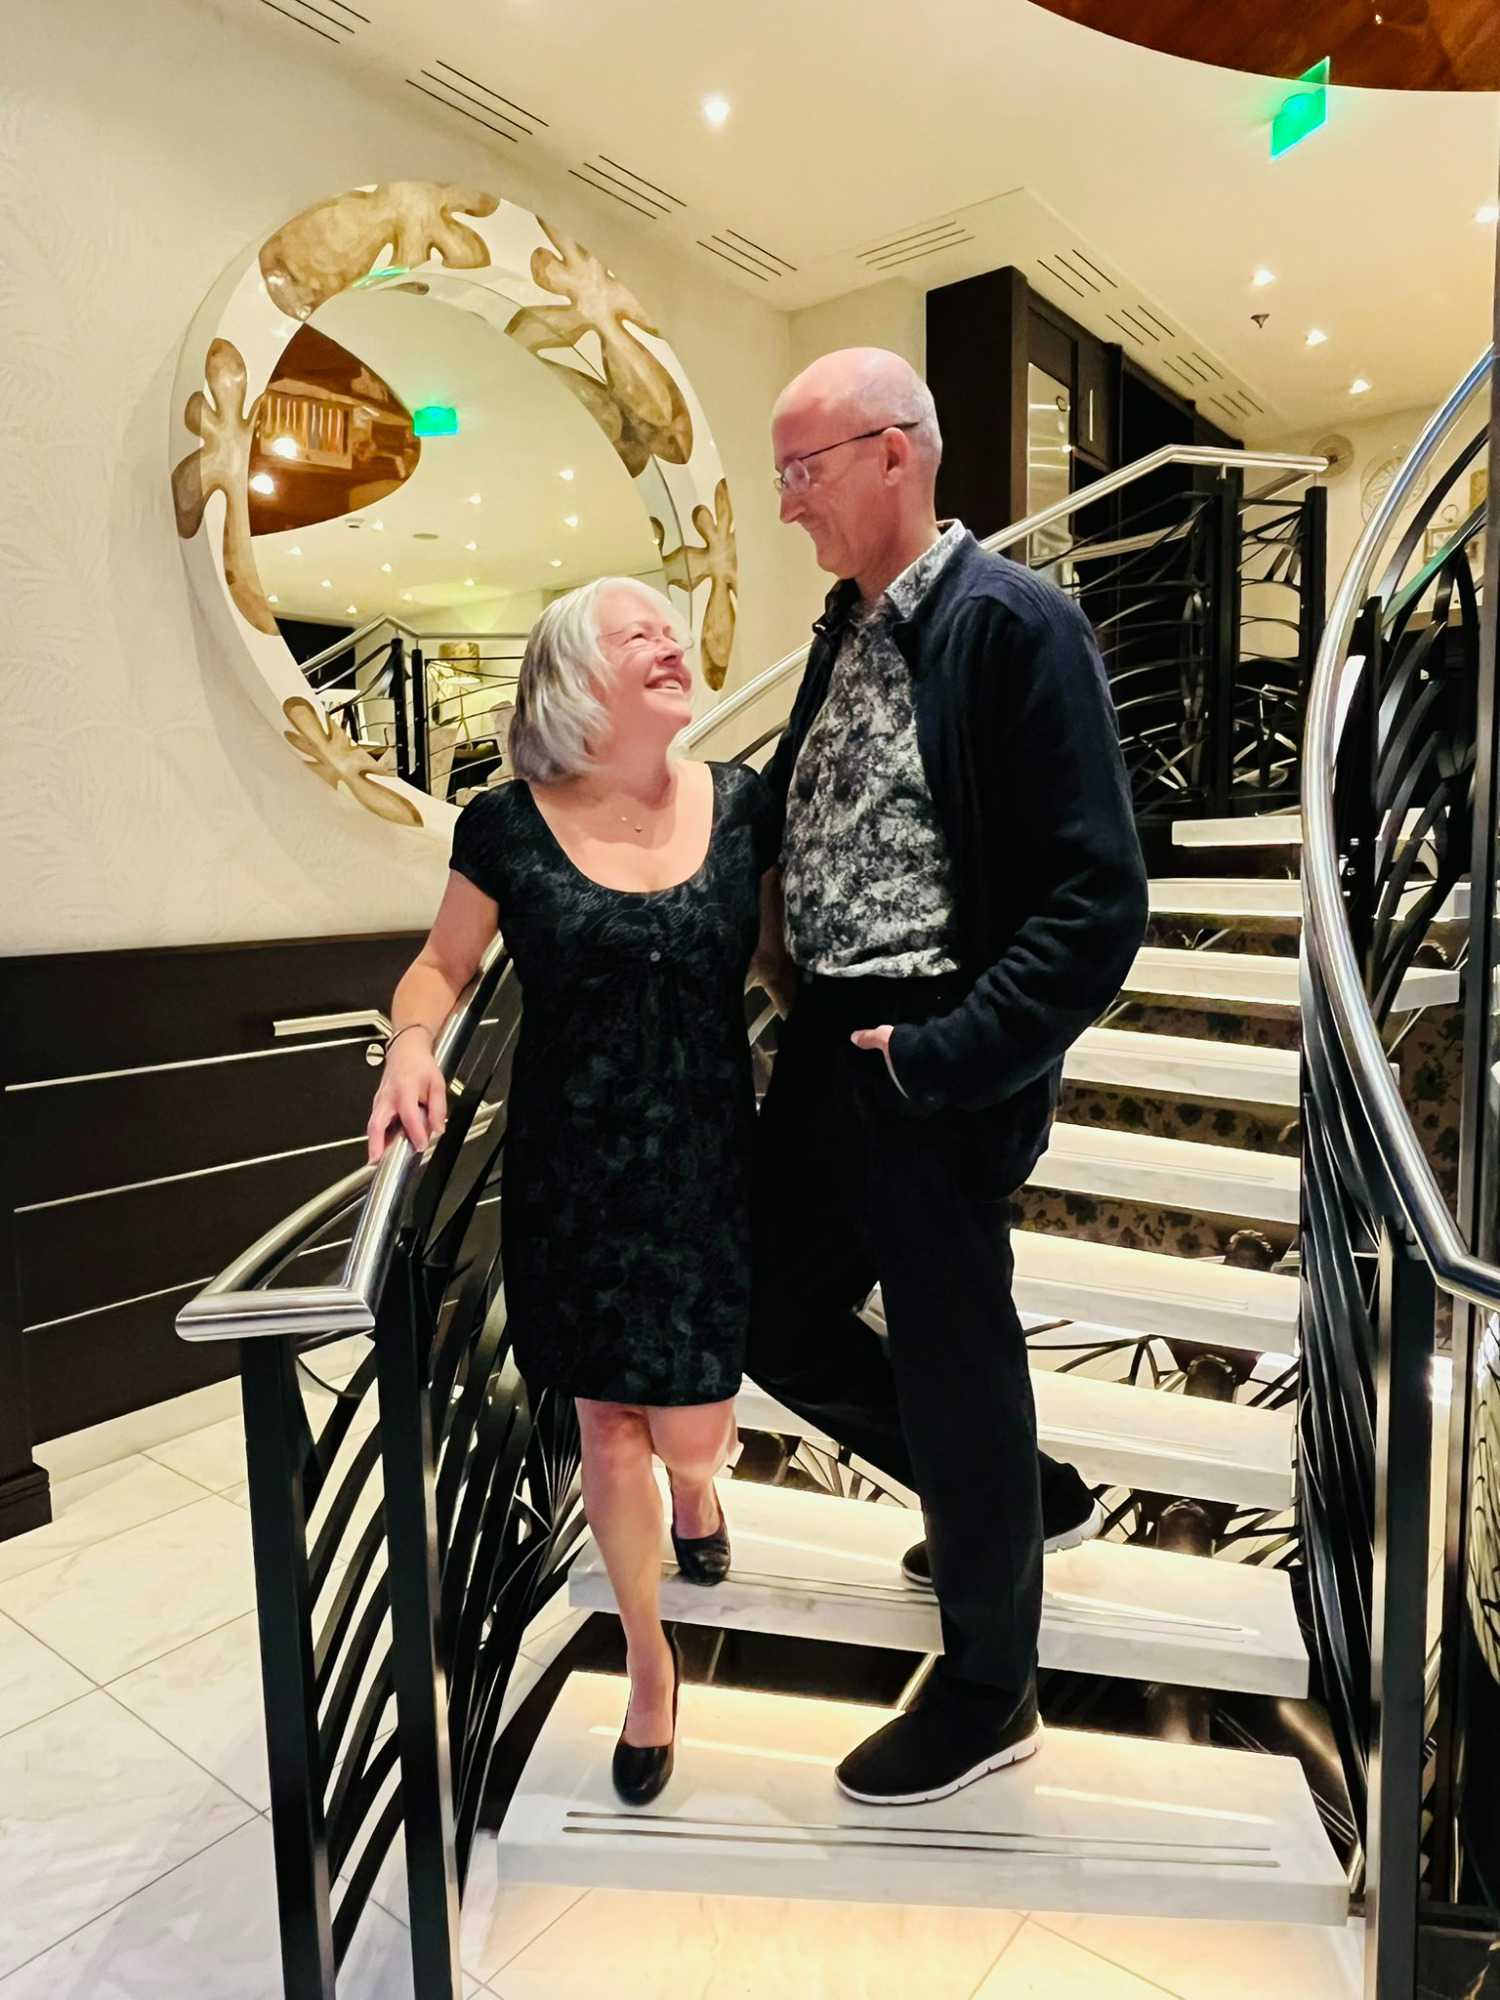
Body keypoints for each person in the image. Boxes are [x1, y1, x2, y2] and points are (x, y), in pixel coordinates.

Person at [751, 347, 1149, 1807]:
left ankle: (993, 1685)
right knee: (765, 1309)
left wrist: (949, 1055)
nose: (787, 502)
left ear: (894, 452)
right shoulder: (845, 630)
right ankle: (1015, 1502)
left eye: (803, 469)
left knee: (952, 1356)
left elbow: (1097, 901)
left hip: (930, 1047)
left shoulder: (1013, 625)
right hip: (825, 1043)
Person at [368, 578, 782, 1808]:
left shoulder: (743, 805)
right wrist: (409, 1043)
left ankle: (698, 1491)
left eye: (670, 627)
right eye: (635, 632)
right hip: (573, 1175)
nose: (669, 642)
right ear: (570, 679)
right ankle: (650, 1661)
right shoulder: (505, 825)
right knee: (608, 1422)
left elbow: (778, 964)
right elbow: (442, 963)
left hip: (710, 1167)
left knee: (692, 1429)